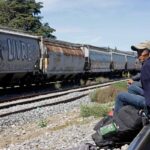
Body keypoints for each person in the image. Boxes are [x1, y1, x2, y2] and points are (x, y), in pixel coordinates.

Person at [114, 41, 150, 113]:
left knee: (120, 96)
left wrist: (133, 82)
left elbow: (145, 85)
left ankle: (117, 121)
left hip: (148, 104)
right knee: (132, 88)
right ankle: (133, 112)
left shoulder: (146, 66)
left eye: (141, 52)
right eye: (137, 52)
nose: (138, 55)